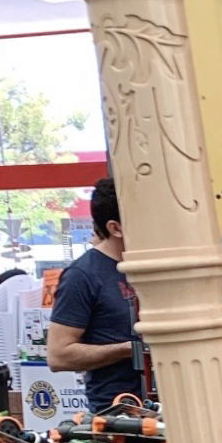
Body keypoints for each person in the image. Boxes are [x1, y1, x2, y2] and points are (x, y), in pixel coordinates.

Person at [47, 177, 142, 413]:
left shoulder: (148, 265)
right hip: (118, 413)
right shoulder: (82, 275)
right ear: (115, 228)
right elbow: (58, 355)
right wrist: (129, 349)